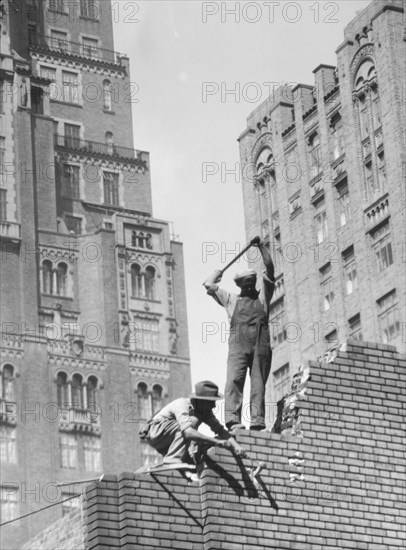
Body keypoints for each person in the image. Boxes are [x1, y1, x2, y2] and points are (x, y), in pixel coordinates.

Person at [204, 238, 275, 431]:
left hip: (260, 346)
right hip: (238, 348)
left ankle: (257, 421)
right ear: (241, 286)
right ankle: (232, 419)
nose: (250, 288)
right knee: (234, 381)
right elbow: (208, 283)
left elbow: (270, 269)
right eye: (246, 285)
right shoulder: (231, 300)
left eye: (252, 284)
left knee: (258, 384)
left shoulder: (263, 297)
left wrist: (261, 247)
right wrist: (218, 273)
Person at [141, 380, 246, 467]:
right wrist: (216, 442)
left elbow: (220, 430)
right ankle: (172, 459)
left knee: (197, 448)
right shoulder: (182, 404)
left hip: (166, 441)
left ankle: (177, 461)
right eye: (211, 402)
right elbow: (188, 433)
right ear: (200, 401)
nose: (214, 406)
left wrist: (236, 446)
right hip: (154, 432)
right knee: (189, 426)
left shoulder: (204, 411)